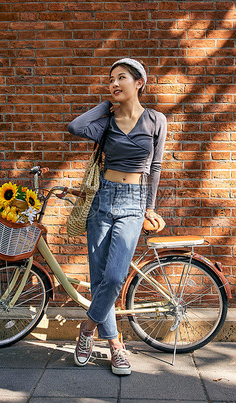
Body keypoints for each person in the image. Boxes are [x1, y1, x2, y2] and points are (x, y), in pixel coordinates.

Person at [67, 58, 167, 375]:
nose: (113, 83)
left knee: (114, 277)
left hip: (134, 201)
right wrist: (104, 105)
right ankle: (115, 346)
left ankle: (86, 330)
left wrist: (149, 205)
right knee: (100, 280)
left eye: (121, 77)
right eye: (110, 79)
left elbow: (156, 167)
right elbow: (75, 127)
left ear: (139, 82)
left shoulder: (155, 120)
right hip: (102, 198)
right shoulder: (106, 123)